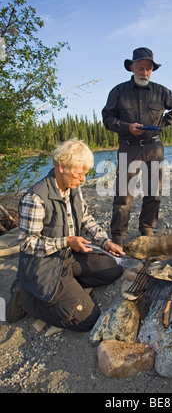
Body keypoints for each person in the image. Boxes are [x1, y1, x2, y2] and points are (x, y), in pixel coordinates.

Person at [6, 138, 125, 332]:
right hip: (42, 265)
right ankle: (26, 297)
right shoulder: (35, 198)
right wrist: (67, 241)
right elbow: (27, 243)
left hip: (67, 257)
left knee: (113, 269)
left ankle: (64, 287)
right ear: (62, 167)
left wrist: (106, 242)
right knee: (88, 319)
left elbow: (85, 218)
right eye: (80, 173)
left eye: (86, 174)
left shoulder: (73, 188)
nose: (84, 179)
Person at [102, 47, 172, 247]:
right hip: (128, 147)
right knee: (124, 194)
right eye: (141, 68)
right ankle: (118, 236)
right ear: (132, 68)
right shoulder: (118, 92)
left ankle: (147, 229)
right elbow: (107, 118)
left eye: (148, 69)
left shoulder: (161, 91)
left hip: (154, 146)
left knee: (154, 192)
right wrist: (127, 127)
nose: (145, 73)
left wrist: (164, 123)